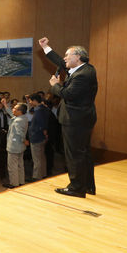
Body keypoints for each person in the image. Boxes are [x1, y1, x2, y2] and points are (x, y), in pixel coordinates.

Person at [39, 37, 98, 198]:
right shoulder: (85, 69)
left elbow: (67, 94)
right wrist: (46, 47)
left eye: (67, 55)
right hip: (82, 118)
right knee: (83, 153)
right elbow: (60, 61)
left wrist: (55, 85)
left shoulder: (82, 75)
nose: (64, 58)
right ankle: (87, 186)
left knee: (74, 154)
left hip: (75, 119)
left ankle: (76, 188)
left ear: (77, 57)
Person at [2, 101, 29, 188]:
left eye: (14, 108)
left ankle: (14, 183)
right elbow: (11, 114)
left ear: (19, 111)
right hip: (20, 146)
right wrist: (5, 105)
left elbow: (20, 132)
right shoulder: (23, 117)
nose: (12, 109)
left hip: (14, 145)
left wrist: (24, 140)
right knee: (20, 164)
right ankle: (21, 181)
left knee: (12, 165)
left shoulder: (18, 121)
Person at [28, 93, 50, 181]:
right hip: (41, 136)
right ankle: (43, 174)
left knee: (37, 159)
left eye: (30, 101)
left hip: (37, 136)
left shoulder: (39, 110)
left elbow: (41, 125)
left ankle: (36, 177)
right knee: (41, 157)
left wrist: (42, 132)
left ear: (35, 101)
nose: (29, 102)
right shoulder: (44, 108)